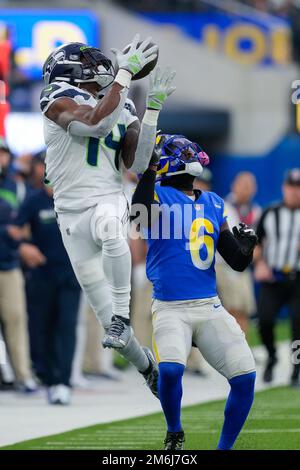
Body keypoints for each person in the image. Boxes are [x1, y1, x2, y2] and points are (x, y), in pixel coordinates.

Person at [39, 37, 176, 397]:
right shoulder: (56, 96)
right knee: (109, 327)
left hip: (106, 196)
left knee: (112, 232)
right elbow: (94, 124)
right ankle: (146, 366)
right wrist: (125, 75)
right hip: (69, 213)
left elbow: (139, 162)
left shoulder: (123, 101)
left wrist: (152, 112)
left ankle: (121, 316)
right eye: (86, 60)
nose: (98, 64)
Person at [131, 134, 257, 450]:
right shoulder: (155, 195)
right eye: (180, 150)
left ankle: (223, 449)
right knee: (172, 371)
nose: (188, 153)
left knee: (245, 378)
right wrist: (147, 171)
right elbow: (137, 215)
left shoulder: (214, 202)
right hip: (170, 307)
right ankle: (175, 431)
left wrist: (248, 245)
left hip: (208, 305)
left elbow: (237, 262)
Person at [13, 154, 81, 404]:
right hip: (41, 275)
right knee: (41, 328)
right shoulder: (34, 200)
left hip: (71, 274)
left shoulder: (75, 199)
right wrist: (24, 246)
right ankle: (47, 375)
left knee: (66, 326)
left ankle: (63, 381)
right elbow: (15, 229)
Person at [254, 168, 300, 386]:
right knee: (264, 320)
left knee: (298, 326)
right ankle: (272, 356)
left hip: (298, 279)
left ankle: (296, 368)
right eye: (292, 187)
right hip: (273, 278)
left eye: (298, 188)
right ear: (284, 188)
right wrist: (260, 263)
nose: (294, 192)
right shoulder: (270, 213)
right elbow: (256, 244)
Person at [0, 138, 36, 392]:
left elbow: (21, 223)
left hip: (9, 263)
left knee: (16, 319)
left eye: (3, 154)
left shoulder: (16, 185)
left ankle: (23, 375)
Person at [216, 172, 260, 334]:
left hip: (243, 266)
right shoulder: (222, 206)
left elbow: (259, 243)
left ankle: (242, 348)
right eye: (243, 184)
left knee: (244, 309)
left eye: (249, 186)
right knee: (231, 309)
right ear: (234, 185)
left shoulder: (256, 211)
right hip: (223, 264)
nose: (246, 189)